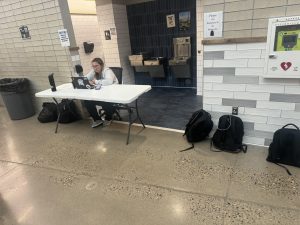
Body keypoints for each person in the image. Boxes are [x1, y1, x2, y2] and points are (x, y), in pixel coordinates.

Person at [84, 58, 119, 128]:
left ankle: (108, 118)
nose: (95, 68)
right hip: (101, 92)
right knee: (87, 101)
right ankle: (97, 119)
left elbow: (109, 82)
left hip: (113, 93)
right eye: (93, 66)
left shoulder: (107, 71)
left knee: (105, 101)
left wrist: (95, 81)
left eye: (96, 66)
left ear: (101, 65)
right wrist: (82, 80)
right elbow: (86, 78)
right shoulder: (94, 71)